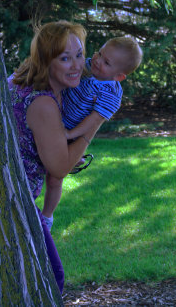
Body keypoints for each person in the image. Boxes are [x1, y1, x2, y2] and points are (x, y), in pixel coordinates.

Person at [8, 20, 103, 294]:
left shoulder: (19, 80)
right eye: (65, 58)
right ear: (46, 59)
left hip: (10, 194)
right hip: (14, 202)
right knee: (52, 278)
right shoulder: (43, 102)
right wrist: (97, 119)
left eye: (79, 54)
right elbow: (59, 168)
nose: (76, 65)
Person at [42, 37, 143, 231]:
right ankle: (73, 160)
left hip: (71, 133)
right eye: (99, 53)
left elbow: (93, 121)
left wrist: (70, 134)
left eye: (106, 62)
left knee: (55, 178)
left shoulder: (111, 94)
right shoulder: (87, 66)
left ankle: (47, 216)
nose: (97, 60)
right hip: (52, 116)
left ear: (119, 76)